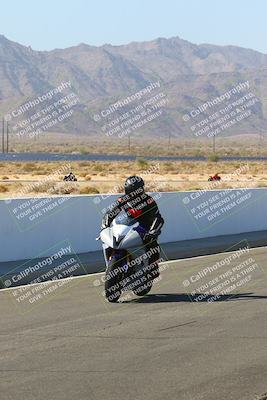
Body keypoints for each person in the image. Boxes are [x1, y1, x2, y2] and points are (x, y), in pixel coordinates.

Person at [101, 176, 164, 279]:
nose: (133, 193)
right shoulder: (122, 200)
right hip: (129, 226)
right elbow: (110, 213)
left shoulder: (149, 201)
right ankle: (109, 266)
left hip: (145, 229)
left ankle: (153, 269)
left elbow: (158, 218)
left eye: (135, 190)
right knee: (109, 241)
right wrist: (105, 225)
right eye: (131, 190)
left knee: (154, 246)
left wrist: (152, 232)